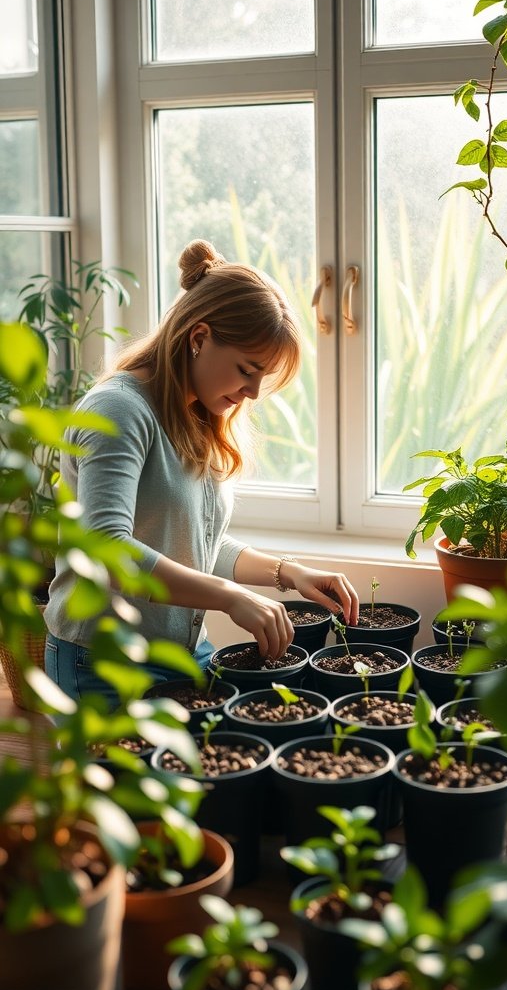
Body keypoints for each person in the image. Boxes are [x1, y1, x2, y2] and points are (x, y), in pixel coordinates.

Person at [44, 239, 359, 702]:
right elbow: (106, 549)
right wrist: (229, 596)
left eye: (262, 377)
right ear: (198, 337)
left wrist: (290, 573)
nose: (252, 392)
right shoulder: (118, 411)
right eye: (246, 369)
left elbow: (197, 541)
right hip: (103, 662)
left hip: (184, 653)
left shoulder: (194, 414)